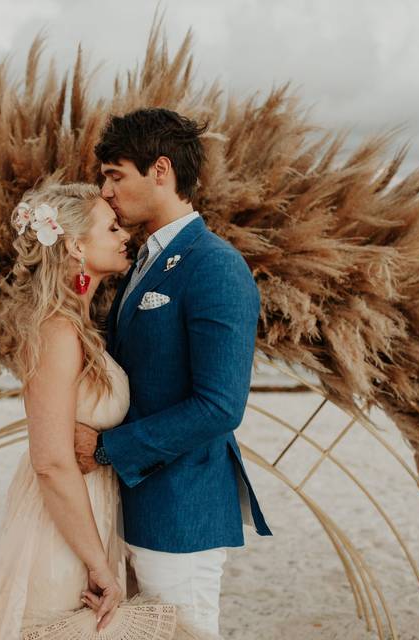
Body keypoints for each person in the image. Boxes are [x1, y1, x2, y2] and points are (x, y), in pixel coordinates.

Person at [72, 107, 273, 637]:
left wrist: (105, 449)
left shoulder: (215, 265)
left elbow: (219, 405)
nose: (106, 190)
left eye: (116, 175)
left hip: (182, 512)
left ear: (161, 170)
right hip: (129, 505)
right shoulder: (142, 261)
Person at [0, 182, 181, 638]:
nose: (124, 234)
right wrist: (97, 563)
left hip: (92, 514)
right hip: (60, 529)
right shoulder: (57, 332)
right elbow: (49, 460)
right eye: (110, 227)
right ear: (75, 246)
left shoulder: (79, 327)